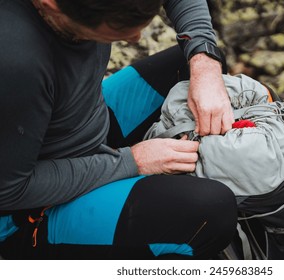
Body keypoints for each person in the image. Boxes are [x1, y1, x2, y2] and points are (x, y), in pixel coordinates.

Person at [0, 0, 237, 259]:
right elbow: (9, 191)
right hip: (26, 210)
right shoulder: (14, 62)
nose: (135, 38)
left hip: (79, 122)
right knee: (211, 211)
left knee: (193, 62)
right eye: (119, 27)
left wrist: (204, 62)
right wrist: (131, 162)